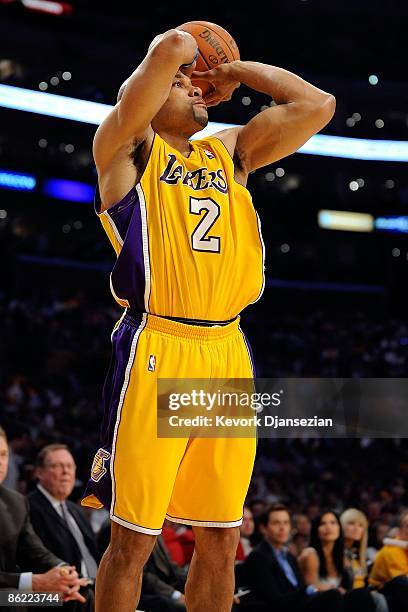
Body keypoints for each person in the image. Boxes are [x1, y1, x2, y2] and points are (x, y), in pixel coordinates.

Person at [80, 26, 335, 612]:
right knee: (134, 541)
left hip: (225, 351)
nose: (193, 89)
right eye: (179, 87)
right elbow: (168, 50)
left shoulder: (231, 153)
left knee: (221, 537)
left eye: (195, 85)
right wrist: (190, 51)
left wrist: (234, 71)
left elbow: (316, 105)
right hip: (156, 344)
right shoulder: (128, 148)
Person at [0, 427, 86, 605]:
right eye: (57, 466)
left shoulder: (15, 502)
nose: (0, 462)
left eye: (3, 454)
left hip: (10, 594)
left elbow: (36, 551)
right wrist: (34, 582)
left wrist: (64, 572)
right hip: (8, 595)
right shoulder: (32, 503)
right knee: (12, 600)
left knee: (67, 598)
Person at [27, 444, 98, 610]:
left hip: (94, 587)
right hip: (60, 594)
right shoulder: (27, 508)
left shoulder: (77, 511)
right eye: (57, 466)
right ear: (39, 472)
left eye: (69, 466)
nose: (65, 472)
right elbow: (35, 559)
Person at [244, 504, 343, 611]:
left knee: (355, 595)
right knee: (333, 596)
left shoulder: (289, 556)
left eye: (286, 523)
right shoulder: (258, 556)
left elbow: (299, 587)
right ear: (263, 528)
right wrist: (310, 589)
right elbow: (274, 600)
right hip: (284, 608)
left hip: (300, 604)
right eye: (276, 523)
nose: (282, 528)